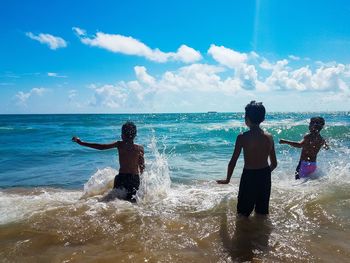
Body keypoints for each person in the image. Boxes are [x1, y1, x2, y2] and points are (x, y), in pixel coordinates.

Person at [217, 101, 277, 217]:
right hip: (264, 176)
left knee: (243, 213)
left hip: (249, 176)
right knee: (262, 212)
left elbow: (233, 162)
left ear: (246, 119)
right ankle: (260, 234)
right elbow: (274, 164)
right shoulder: (269, 137)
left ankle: (244, 234)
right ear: (263, 119)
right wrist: (264, 173)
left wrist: (227, 179)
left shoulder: (242, 137)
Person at [72, 121, 145, 202]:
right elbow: (142, 166)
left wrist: (81, 142)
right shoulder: (140, 148)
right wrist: (141, 180)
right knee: (133, 202)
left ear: (122, 135)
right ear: (135, 135)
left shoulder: (120, 144)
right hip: (134, 179)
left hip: (122, 178)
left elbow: (102, 147)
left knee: (115, 201)